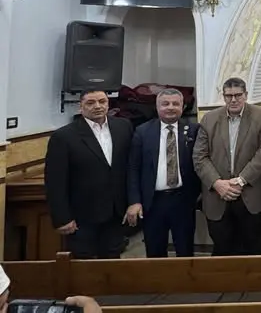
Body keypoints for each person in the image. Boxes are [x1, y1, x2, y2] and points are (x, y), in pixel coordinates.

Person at [44, 90, 134, 259]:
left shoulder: (123, 126)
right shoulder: (63, 136)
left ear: (108, 104)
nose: (97, 106)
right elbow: (55, 181)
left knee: (112, 262)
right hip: (82, 216)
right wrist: (62, 218)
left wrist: (132, 202)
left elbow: (130, 167)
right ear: (80, 106)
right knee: (83, 265)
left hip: (116, 213)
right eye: (90, 103)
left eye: (102, 101)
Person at [193, 77, 261, 256]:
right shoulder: (209, 119)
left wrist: (241, 180)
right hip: (218, 197)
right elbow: (199, 157)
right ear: (223, 96)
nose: (233, 100)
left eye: (238, 95)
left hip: (253, 197)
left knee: (255, 253)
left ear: (245, 95)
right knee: (223, 254)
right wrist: (217, 183)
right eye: (229, 96)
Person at [125, 88, 201, 257]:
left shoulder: (194, 130)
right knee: (155, 251)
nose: (170, 107)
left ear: (183, 106)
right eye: (165, 104)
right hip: (153, 202)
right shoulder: (142, 132)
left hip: (183, 200)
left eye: (175, 104)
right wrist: (134, 201)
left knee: (185, 250)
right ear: (157, 106)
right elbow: (133, 168)